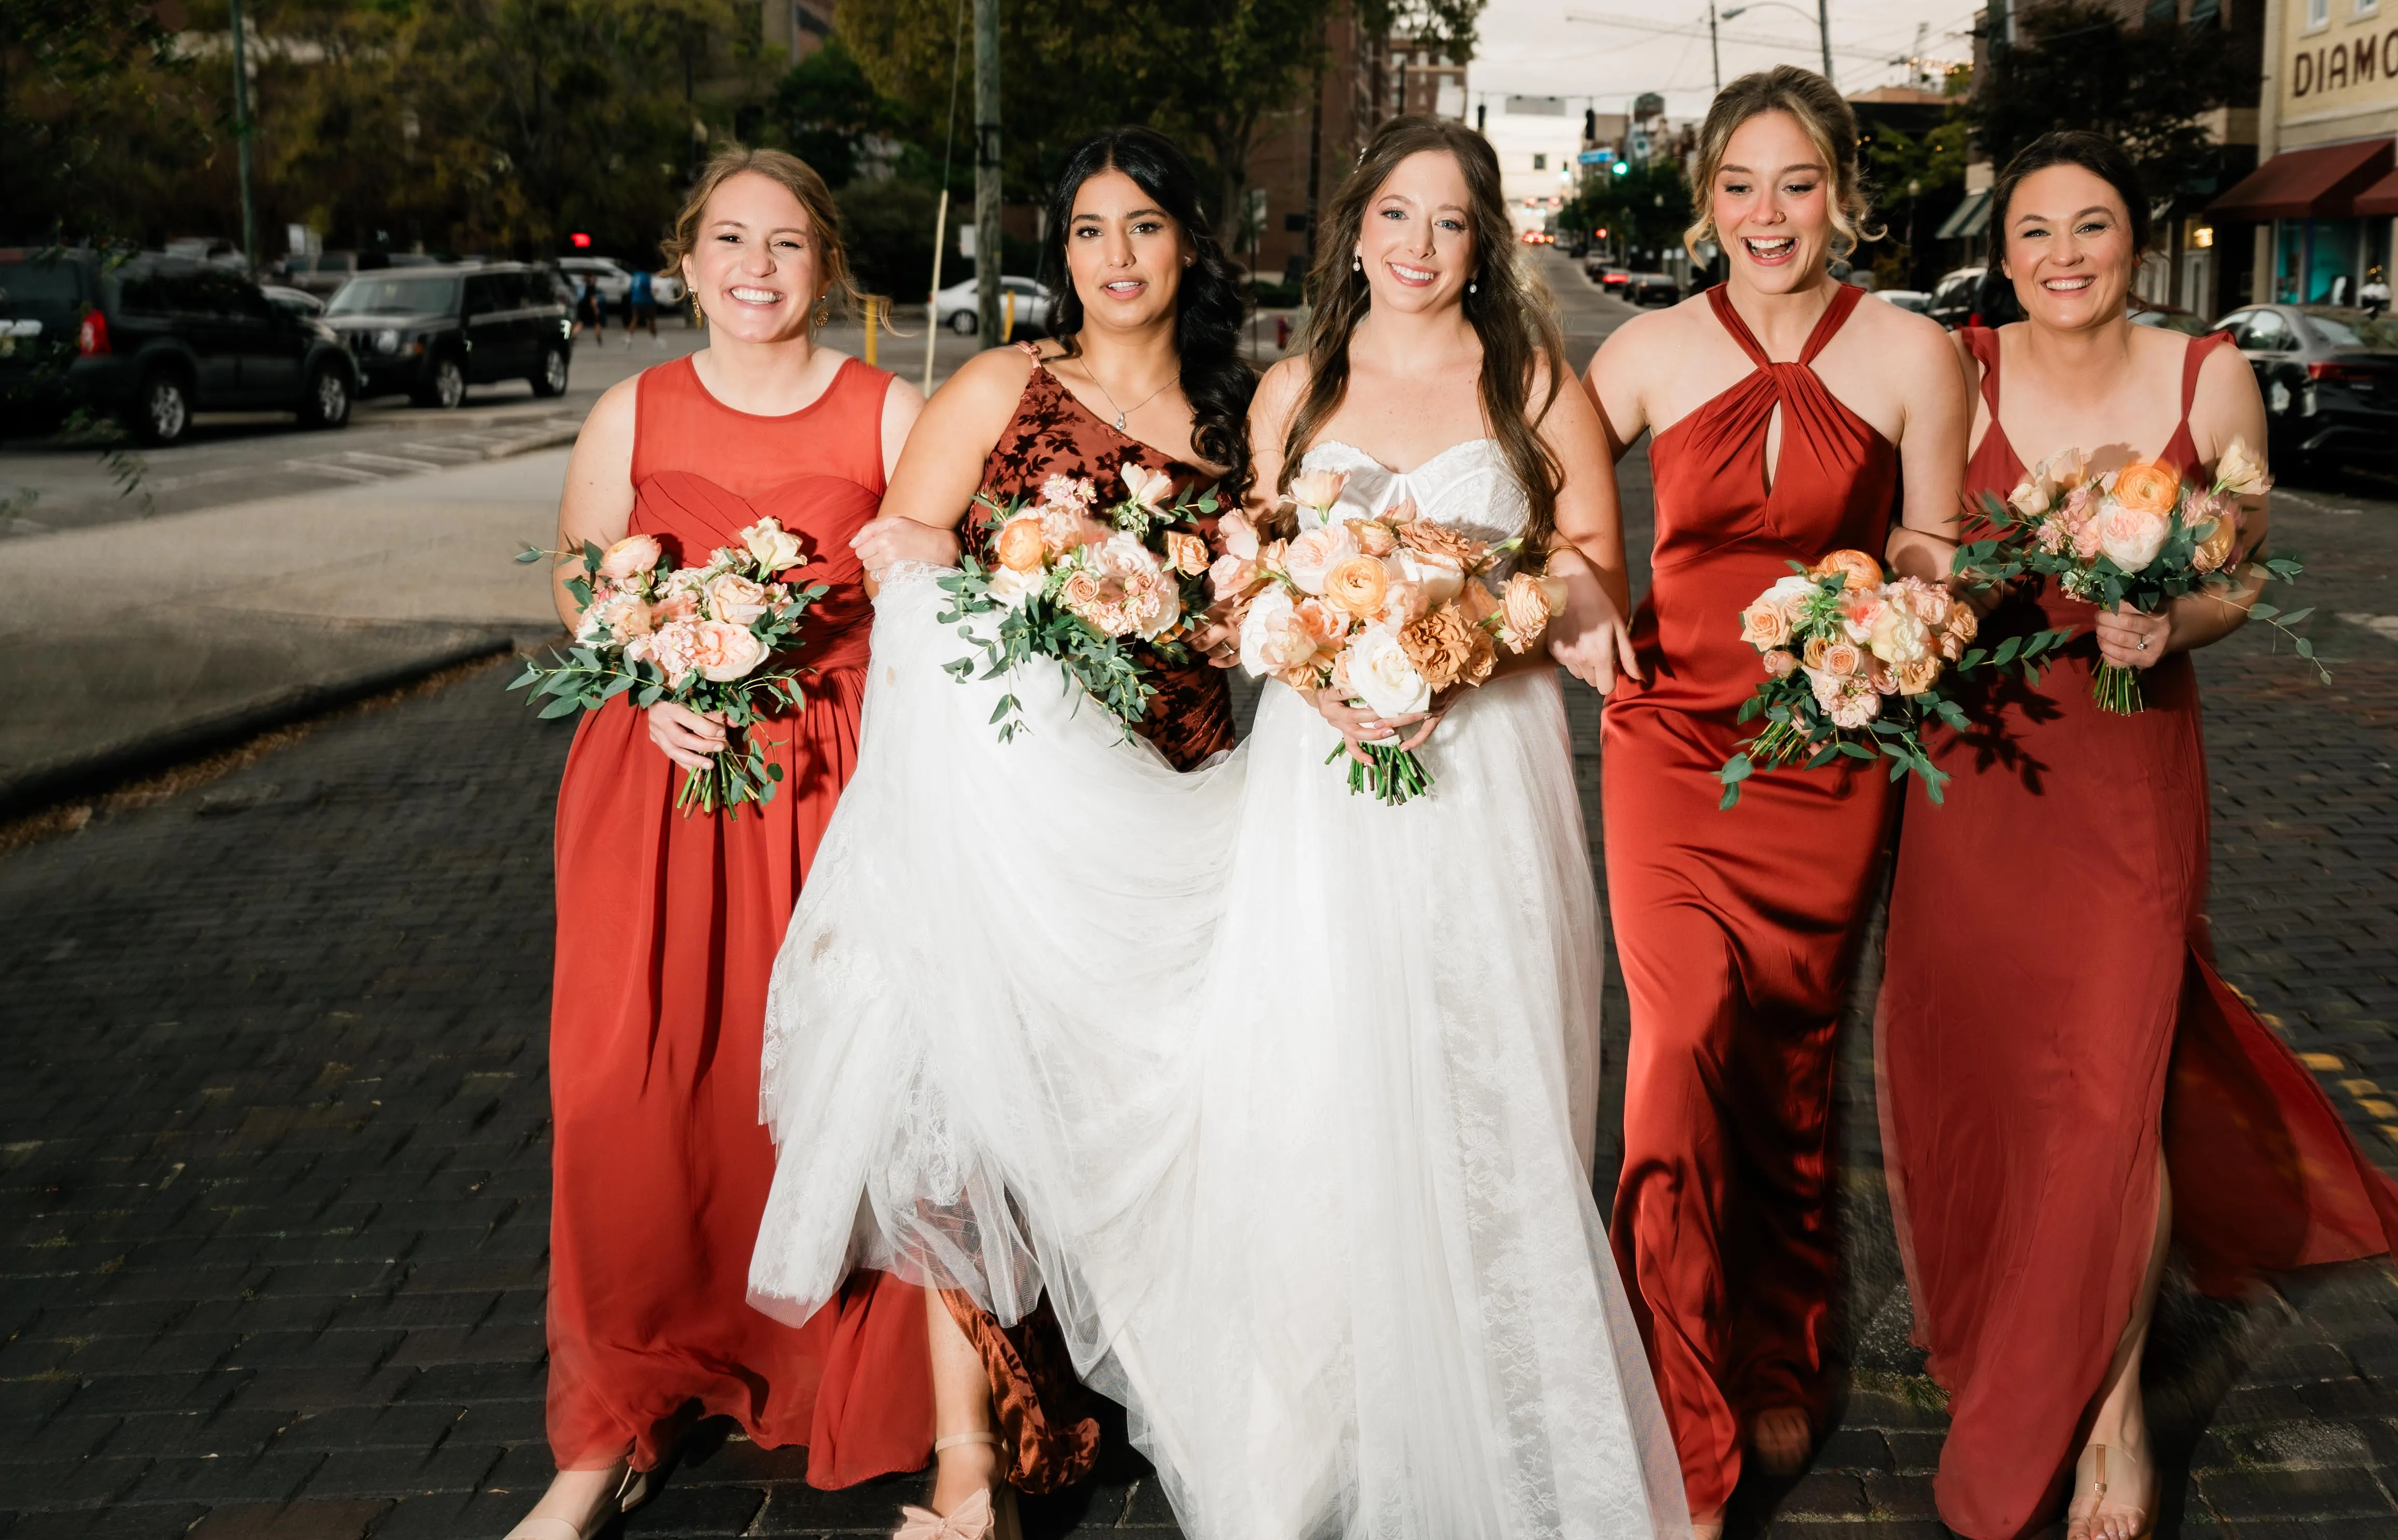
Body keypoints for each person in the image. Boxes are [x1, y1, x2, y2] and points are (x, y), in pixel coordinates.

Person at [753, 115, 1685, 1540]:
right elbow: (1256, 591)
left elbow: (1586, 582)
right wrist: (1332, 661)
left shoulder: (1526, 384)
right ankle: (1237, 1432)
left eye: (1447, 220)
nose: (1416, 244)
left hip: (1478, 776)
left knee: (1480, 1066)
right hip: (1296, 780)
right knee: (1310, 1081)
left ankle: (1490, 1403)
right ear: (1354, 229)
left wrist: (1448, 645)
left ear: (1485, 240)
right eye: (1393, 214)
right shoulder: (1293, 396)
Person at [1880, 132, 2398, 1540]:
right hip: (1980, 764)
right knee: (1993, 1078)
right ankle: (2017, 1333)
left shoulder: (2210, 376)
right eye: (2035, 232)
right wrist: (1934, 585)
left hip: (2129, 763)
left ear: (2138, 241)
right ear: (2000, 250)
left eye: (2091, 227)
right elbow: (1916, 539)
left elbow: (2243, 575)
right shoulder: (1956, 366)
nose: (2063, 255)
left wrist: (2174, 613)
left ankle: (2119, 1410)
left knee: (2111, 1087)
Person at [823, 126, 1257, 1523]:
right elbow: (900, 551)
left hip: (1183, 800)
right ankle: (978, 1467)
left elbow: (1264, 605)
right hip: (1015, 809)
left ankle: (1159, 1381)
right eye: (1088, 229)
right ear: (1058, 250)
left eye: (1143, 225)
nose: (1115, 255)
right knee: (980, 1109)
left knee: (1153, 1115)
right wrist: (1027, 589)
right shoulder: (1010, 384)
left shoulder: (1241, 421)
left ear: (1190, 241)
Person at [513, 149, 929, 1540]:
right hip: (658, 795)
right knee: (626, 1093)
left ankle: (836, 1366)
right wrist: (651, 675)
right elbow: (585, 576)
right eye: (733, 240)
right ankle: (620, 1406)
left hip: (829, 794)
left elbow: (945, 599)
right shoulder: (632, 410)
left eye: (791, 243)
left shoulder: (887, 409)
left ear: (831, 268)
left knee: (821, 1090)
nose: (759, 267)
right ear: (687, 258)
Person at [1581, 67, 1970, 1538]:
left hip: (1828, 747)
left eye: (1797, 182)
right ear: (1703, 205)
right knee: (1678, 1044)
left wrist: (1894, 617)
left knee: (1788, 1060)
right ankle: (1679, 1409)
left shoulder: (1914, 356)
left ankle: (1783, 1343)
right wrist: (1574, 591)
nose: (1768, 213)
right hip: (1673, 743)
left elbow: (1934, 544)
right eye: (1739, 185)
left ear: (1844, 197)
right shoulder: (1643, 351)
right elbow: (1547, 500)